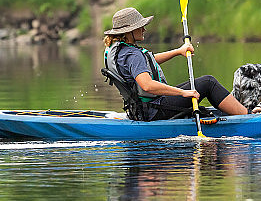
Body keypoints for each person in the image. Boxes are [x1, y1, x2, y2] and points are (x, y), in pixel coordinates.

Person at [103, 7, 249, 121]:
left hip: (140, 110)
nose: (144, 29)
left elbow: (147, 61)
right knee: (207, 83)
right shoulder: (132, 54)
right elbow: (147, 85)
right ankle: (247, 116)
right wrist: (182, 93)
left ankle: (239, 109)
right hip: (154, 111)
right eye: (140, 26)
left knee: (202, 84)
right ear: (129, 32)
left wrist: (178, 51)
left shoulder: (119, 51)